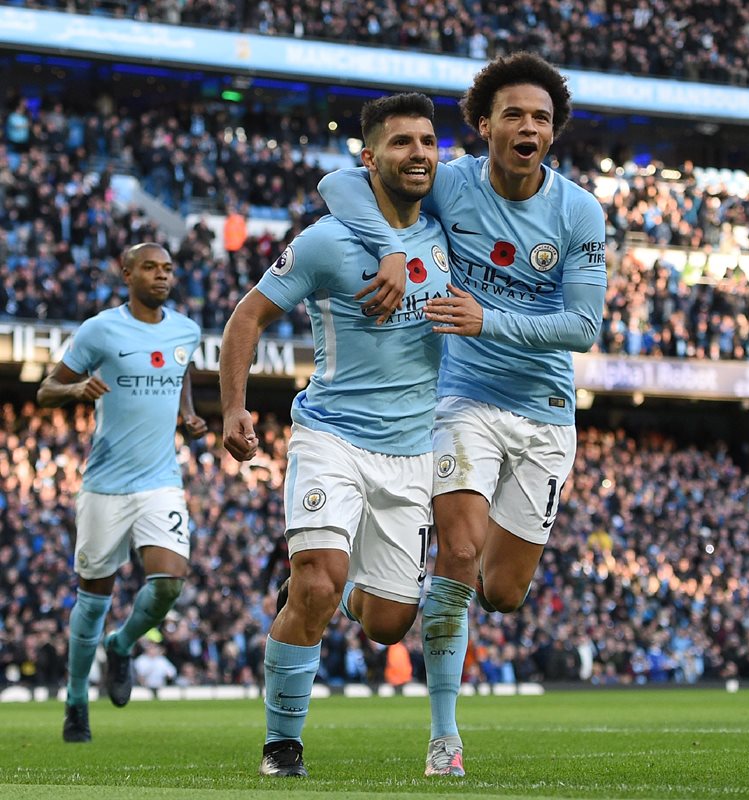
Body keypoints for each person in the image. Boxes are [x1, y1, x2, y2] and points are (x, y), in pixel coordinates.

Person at [317, 51, 607, 776]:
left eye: (541, 117)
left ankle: (359, 587)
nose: (528, 126)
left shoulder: (577, 210)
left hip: (544, 410)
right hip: (462, 398)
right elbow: (339, 182)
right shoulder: (451, 184)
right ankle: (444, 738)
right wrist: (388, 244)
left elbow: (584, 327)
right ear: (483, 125)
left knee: (502, 592)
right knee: (458, 550)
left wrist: (490, 318)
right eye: (513, 113)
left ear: (554, 132)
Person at [220, 92, 449, 778]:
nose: (418, 154)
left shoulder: (447, 228)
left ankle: (342, 587)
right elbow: (244, 319)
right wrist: (233, 407)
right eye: (401, 142)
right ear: (370, 156)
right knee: (316, 585)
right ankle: (281, 745)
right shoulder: (325, 241)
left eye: (428, 142)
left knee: (386, 624)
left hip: (413, 450)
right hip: (332, 435)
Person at [37, 242, 206, 743]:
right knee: (92, 600)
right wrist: (75, 390)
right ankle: (75, 702)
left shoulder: (185, 329)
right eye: (151, 268)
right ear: (126, 273)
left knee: (170, 582)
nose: (162, 276)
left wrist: (188, 415)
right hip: (105, 486)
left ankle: (123, 643)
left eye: (168, 269)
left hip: (160, 481)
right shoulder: (100, 330)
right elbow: (46, 389)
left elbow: (181, 372)